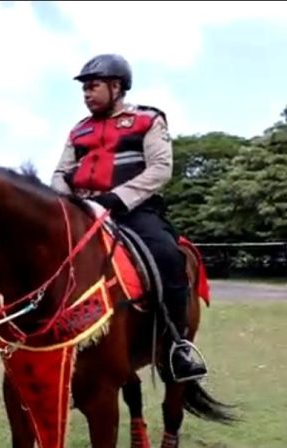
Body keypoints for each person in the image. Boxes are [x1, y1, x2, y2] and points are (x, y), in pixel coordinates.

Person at [50, 54, 207, 383]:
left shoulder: (148, 120)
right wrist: (68, 201)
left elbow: (160, 169)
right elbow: (61, 173)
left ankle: (177, 346)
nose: (87, 94)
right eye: (84, 90)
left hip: (133, 211)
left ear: (116, 86)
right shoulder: (79, 130)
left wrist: (116, 199)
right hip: (82, 212)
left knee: (168, 256)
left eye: (93, 87)